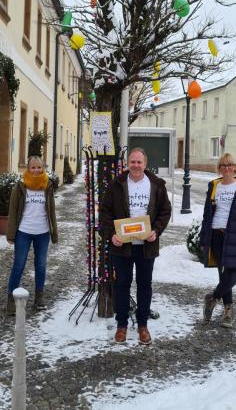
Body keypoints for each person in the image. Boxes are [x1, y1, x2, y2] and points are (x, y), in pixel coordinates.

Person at [99, 148, 172, 345]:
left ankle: (142, 325)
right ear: (127, 163)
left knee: (144, 286)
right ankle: (121, 325)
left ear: (145, 164)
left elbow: (165, 211)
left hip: (146, 246)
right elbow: (105, 212)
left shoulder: (156, 184)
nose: (136, 166)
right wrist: (112, 235)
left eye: (139, 162)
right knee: (121, 285)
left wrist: (156, 230)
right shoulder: (117, 184)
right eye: (132, 162)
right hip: (122, 246)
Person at [198, 153, 236, 328]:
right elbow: (207, 214)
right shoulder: (214, 186)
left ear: (235, 167)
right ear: (219, 168)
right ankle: (228, 312)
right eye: (223, 165)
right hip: (216, 233)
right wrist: (204, 237)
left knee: (233, 274)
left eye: (230, 165)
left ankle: (212, 298)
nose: (226, 168)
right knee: (223, 275)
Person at [5, 156, 58, 315]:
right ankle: (11, 300)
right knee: (19, 264)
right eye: (33, 167)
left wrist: (54, 232)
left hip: (42, 232)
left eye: (39, 168)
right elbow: (13, 210)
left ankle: (39, 298)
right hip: (24, 231)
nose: (36, 170)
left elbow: (51, 211)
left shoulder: (47, 185)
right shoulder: (21, 186)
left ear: (43, 168)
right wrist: (10, 234)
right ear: (28, 169)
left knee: (41, 265)